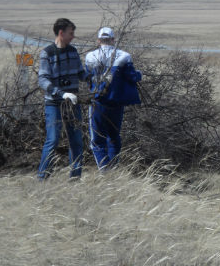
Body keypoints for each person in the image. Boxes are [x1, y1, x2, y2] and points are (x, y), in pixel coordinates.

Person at [37, 18, 88, 180]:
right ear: (61, 33)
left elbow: (81, 73)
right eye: (71, 33)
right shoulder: (47, 53)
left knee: (77, 141)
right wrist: (61, 93)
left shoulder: (73, 52)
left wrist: (97, 77)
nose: (73, 36)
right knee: (52, 140)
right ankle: (42, 177)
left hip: (73, 104)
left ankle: (75, 178)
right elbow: (43, 80)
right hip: (54, 104)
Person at [85, 27, 142, 170]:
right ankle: (113, 168)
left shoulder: (90, 56)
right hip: (116, 104)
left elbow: (87, 78)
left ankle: (104, 170)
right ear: (113, 40)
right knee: (114, 137)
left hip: (97, 103)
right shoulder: (124, 56)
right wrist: (140, 74)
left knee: (97, 141)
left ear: (98, 40)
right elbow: (133, 77)